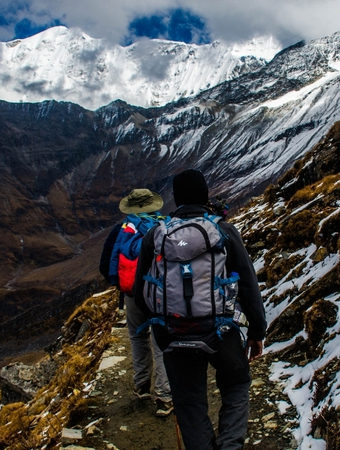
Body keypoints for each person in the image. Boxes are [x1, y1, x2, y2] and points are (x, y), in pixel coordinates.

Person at [134, 169, 266, 450]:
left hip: (173, 333)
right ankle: (230, 445)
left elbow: (140, 293)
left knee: (189, 403)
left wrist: (161, 329)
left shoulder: (156, 235)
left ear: (176, 199)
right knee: (236, 383)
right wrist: (257, 330)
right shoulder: (223, 231)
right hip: (220, 331)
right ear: (206, 196)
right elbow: (247, 282)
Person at [99, 188, 174, 417]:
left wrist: (123, 284)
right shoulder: (166, 226)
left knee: (137, 336)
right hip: (160, 295)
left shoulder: (122, 230)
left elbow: (105, 264)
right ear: (154, 205)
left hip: (133, 294)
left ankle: (141, 386)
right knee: (161, 341)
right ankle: (164, 396)